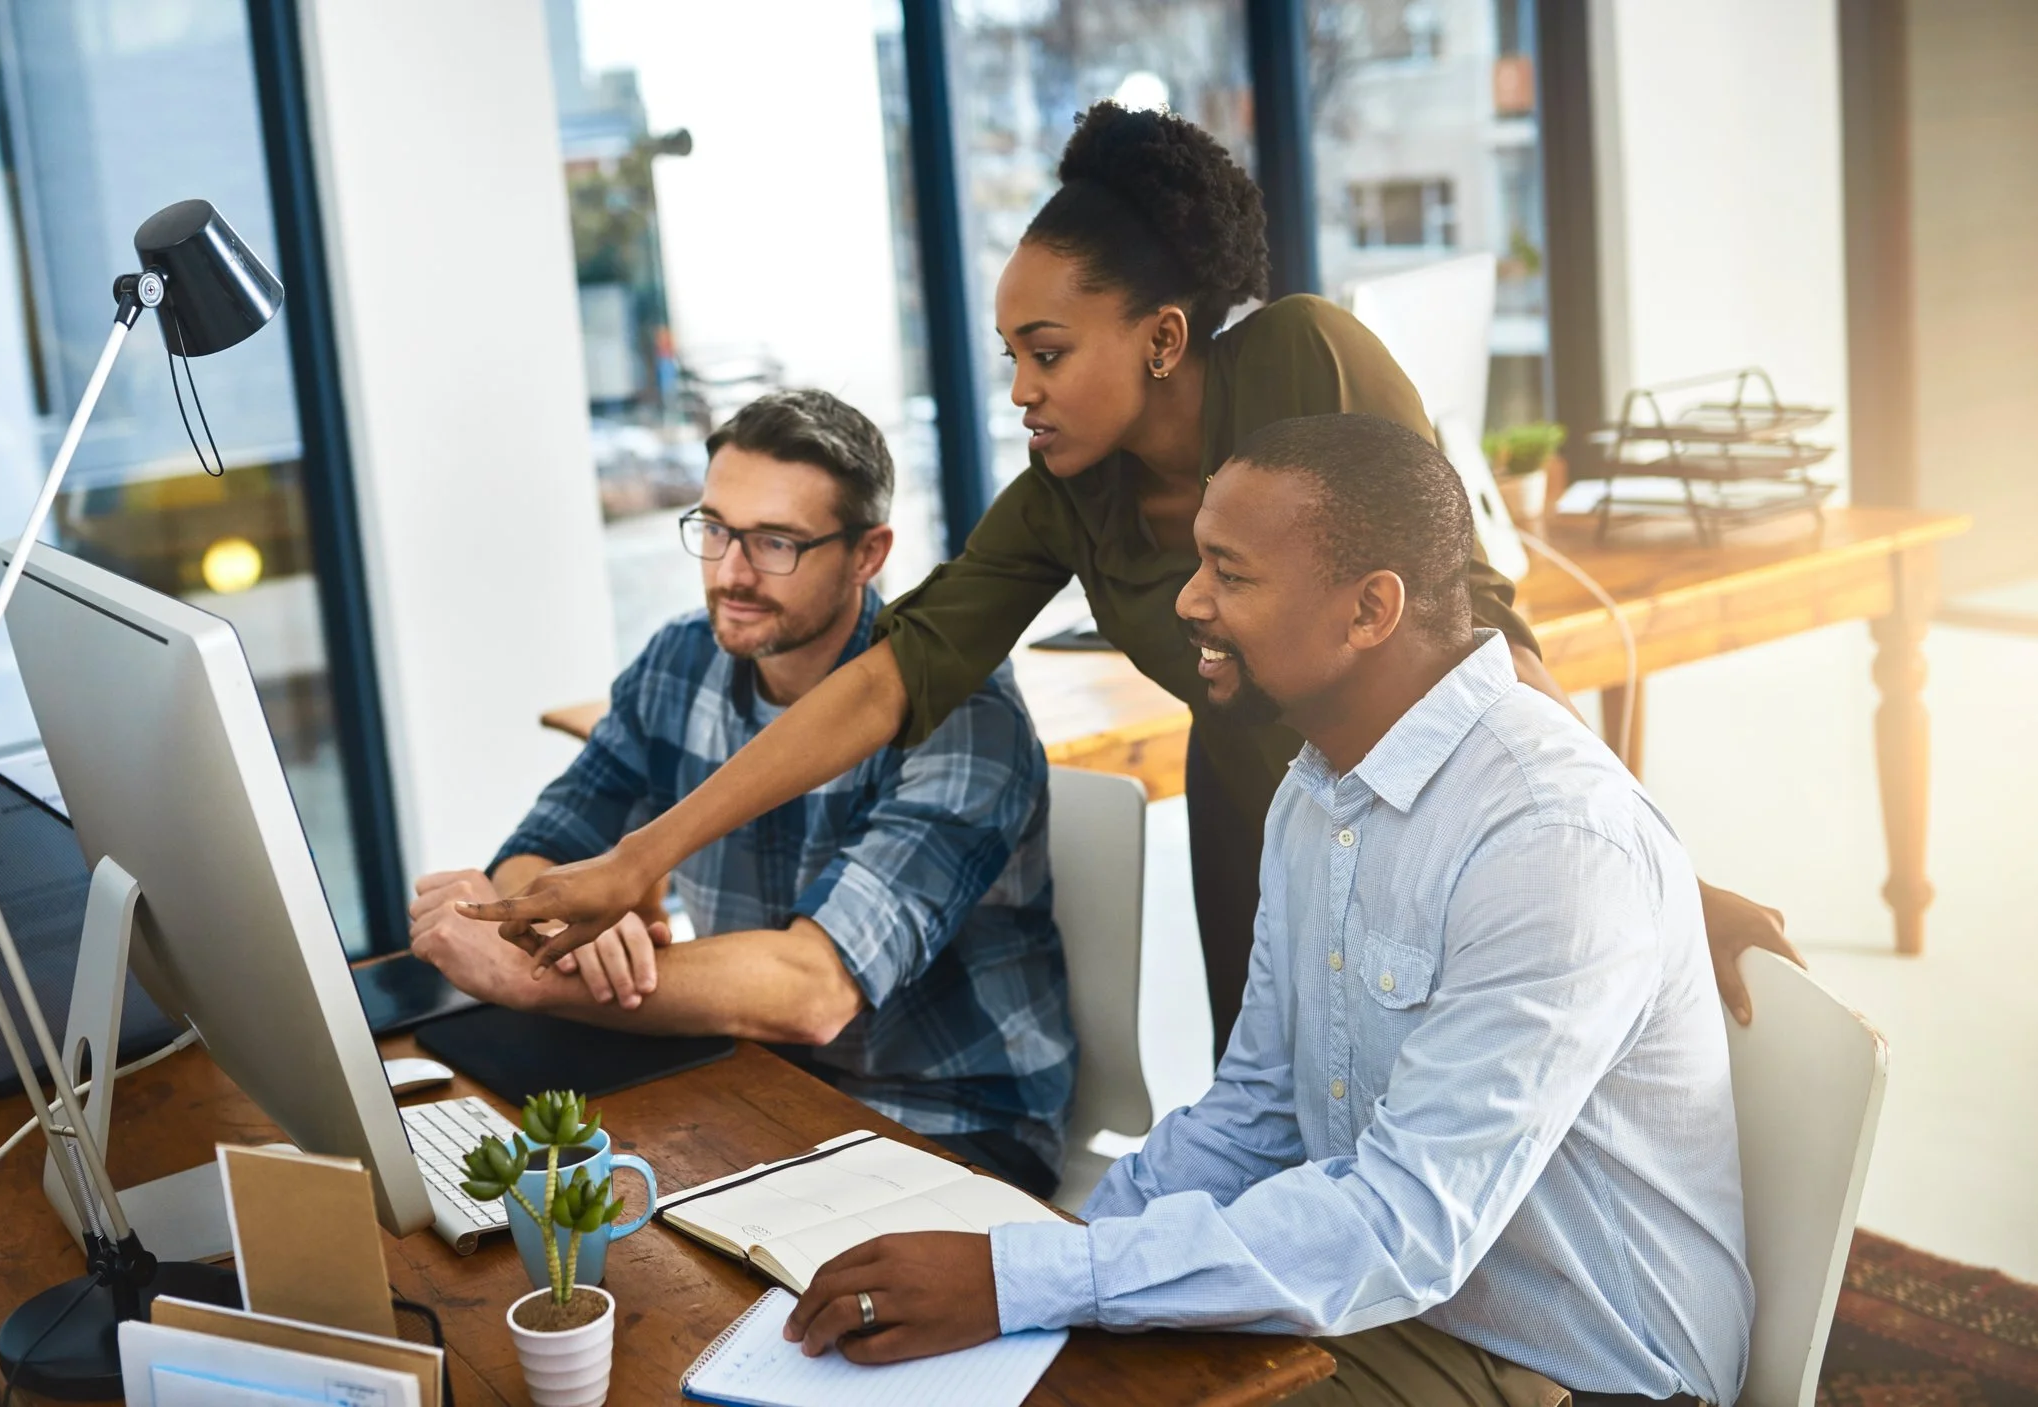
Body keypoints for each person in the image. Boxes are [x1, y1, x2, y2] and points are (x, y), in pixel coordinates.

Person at [464, 101, 1797, 1057]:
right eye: (1009, 358)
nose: (1022, 389)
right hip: (1263, 815)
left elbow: (1482, 643)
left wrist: (1653, 869)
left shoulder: (1300, 364)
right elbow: (885, 682)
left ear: (1162, 337)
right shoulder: (1063, 500)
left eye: (1046, 351)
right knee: (1283, 1128)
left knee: (1473, 1121)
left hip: (1442, 805)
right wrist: (636, 856)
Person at [779, 414, 1751, 1407]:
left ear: (1370, 609)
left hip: (1580, 1371)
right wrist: (1055, 1254)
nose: (1189, 602)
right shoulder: (1317, 789)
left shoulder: (1549, 841)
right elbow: (1258, 1112)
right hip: (1384, 1303)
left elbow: (1405, 1223)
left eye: (1230, 575)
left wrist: (1026, 1282)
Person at [409, 390, 1075, 1197]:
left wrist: (533, 976)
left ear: (869, 555)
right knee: (501, 1209)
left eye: (776, 543)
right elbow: (542, 843)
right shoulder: (681, 660)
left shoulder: (961, 712)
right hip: (739, 1076)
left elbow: (812, 990)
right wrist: (554, 922)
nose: (730, 572)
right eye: (716, 529)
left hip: (943, 1122)